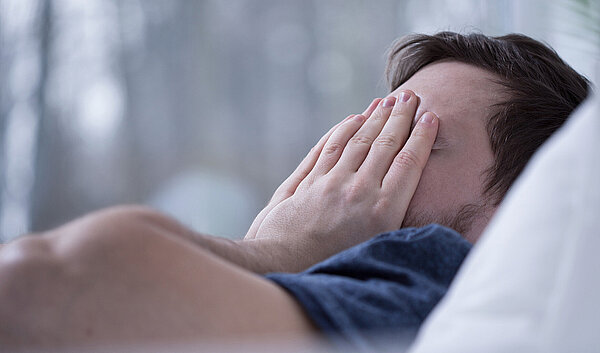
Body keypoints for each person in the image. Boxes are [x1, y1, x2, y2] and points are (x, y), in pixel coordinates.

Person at [0, 32, 589, 349]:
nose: (349, 163)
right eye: (364, 130)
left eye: (407, 136)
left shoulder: (427, 268)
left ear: (519, 205)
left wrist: (276, 251)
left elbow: (37, 288)